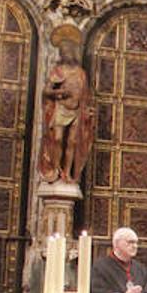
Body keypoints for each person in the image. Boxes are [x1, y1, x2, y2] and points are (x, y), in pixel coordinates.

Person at [37, 26, 94, 184]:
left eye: (69, 49)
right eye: (64, 50)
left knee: (72, 142)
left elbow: (86, 94)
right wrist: (60, 94)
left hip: (76, 111)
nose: (66, 53)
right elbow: (47, 91)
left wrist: (88, 109)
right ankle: (56, 170)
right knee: (57, 138)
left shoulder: (80, 72)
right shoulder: (59, 71)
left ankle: (67, 173)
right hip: (61, 108)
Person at [90, 227, 147, 293]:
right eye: (130, 242)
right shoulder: (100, 267)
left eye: (136, 243)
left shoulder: (140, 269)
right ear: (116, 244)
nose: (135, 246)